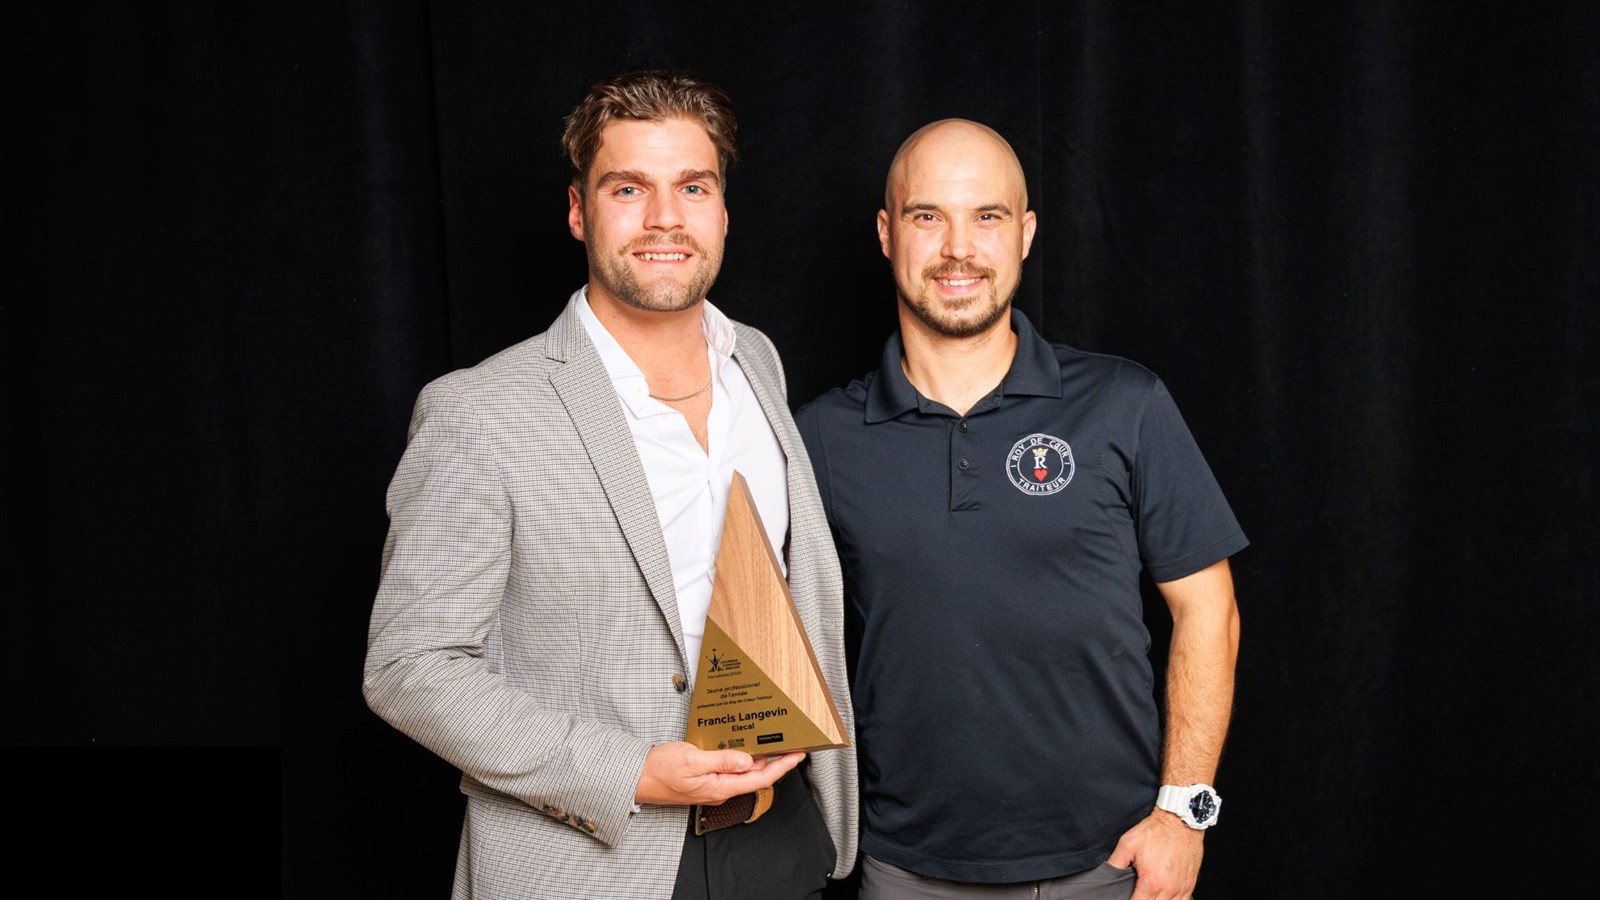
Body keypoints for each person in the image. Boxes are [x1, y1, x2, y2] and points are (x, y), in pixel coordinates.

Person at [363, 68, 857, 900]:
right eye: (628, 188)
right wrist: (631, 771)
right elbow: (410, 667)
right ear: (578, 210)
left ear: (723, 211)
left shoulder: (756, 362)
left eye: (692, 187)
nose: (665, 217)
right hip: (591, 863)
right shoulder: (478, 413)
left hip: (780, 842)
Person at [794, 119, 1247, 900]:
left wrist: (1184, 814)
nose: (958, 249)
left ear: (1026, 234)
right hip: (907, 871)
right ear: (886, 233)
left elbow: (1210, 610)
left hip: (1112, 866)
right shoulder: (821, 438)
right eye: (927, 216)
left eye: (987, 217)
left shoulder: (1124, 404)